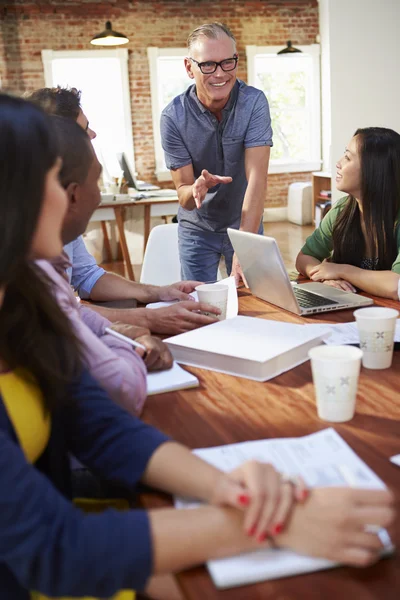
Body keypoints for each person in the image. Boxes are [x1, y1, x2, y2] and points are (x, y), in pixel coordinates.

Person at [0, 94, 395, 600]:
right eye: (56, 180)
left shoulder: (27, 302)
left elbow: (98, 424)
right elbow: (55, 549)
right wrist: (271, 522)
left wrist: (226, 488)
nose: (77, 197)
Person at [28, 86, 221, 335]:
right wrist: (147, 319)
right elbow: (56, 312)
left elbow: (86, 276)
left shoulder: (62, 209)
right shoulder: (25, 223)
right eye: (85, 128)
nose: (94, 134)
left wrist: (156, 291)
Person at [36, 116, 169, 416]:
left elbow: (74, 305)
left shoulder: (46, 265)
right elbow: (121, 385)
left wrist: (142, 309)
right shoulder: (33, 278)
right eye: (95, 182)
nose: (99, 197)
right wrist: (132, 338)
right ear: (70, 194)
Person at [160, 22, 272, 285]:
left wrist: (246, 244)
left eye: (228, 62)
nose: (220, 74)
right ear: (189, 67)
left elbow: (257, 179)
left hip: (245, 224)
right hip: (197, 230)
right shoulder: (173, 117)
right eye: (208, 65)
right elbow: (184, 197)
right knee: (199, 308)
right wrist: (196, 189)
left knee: (255, 305)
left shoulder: (254, 103)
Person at [296, 127, 400, 300]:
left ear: (374, 170)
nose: (338, 163)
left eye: (348, 157)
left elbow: (396, 286)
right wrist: (326, 278)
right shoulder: (341, 211)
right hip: (352, 310)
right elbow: (304, 258)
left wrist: (341, 270)